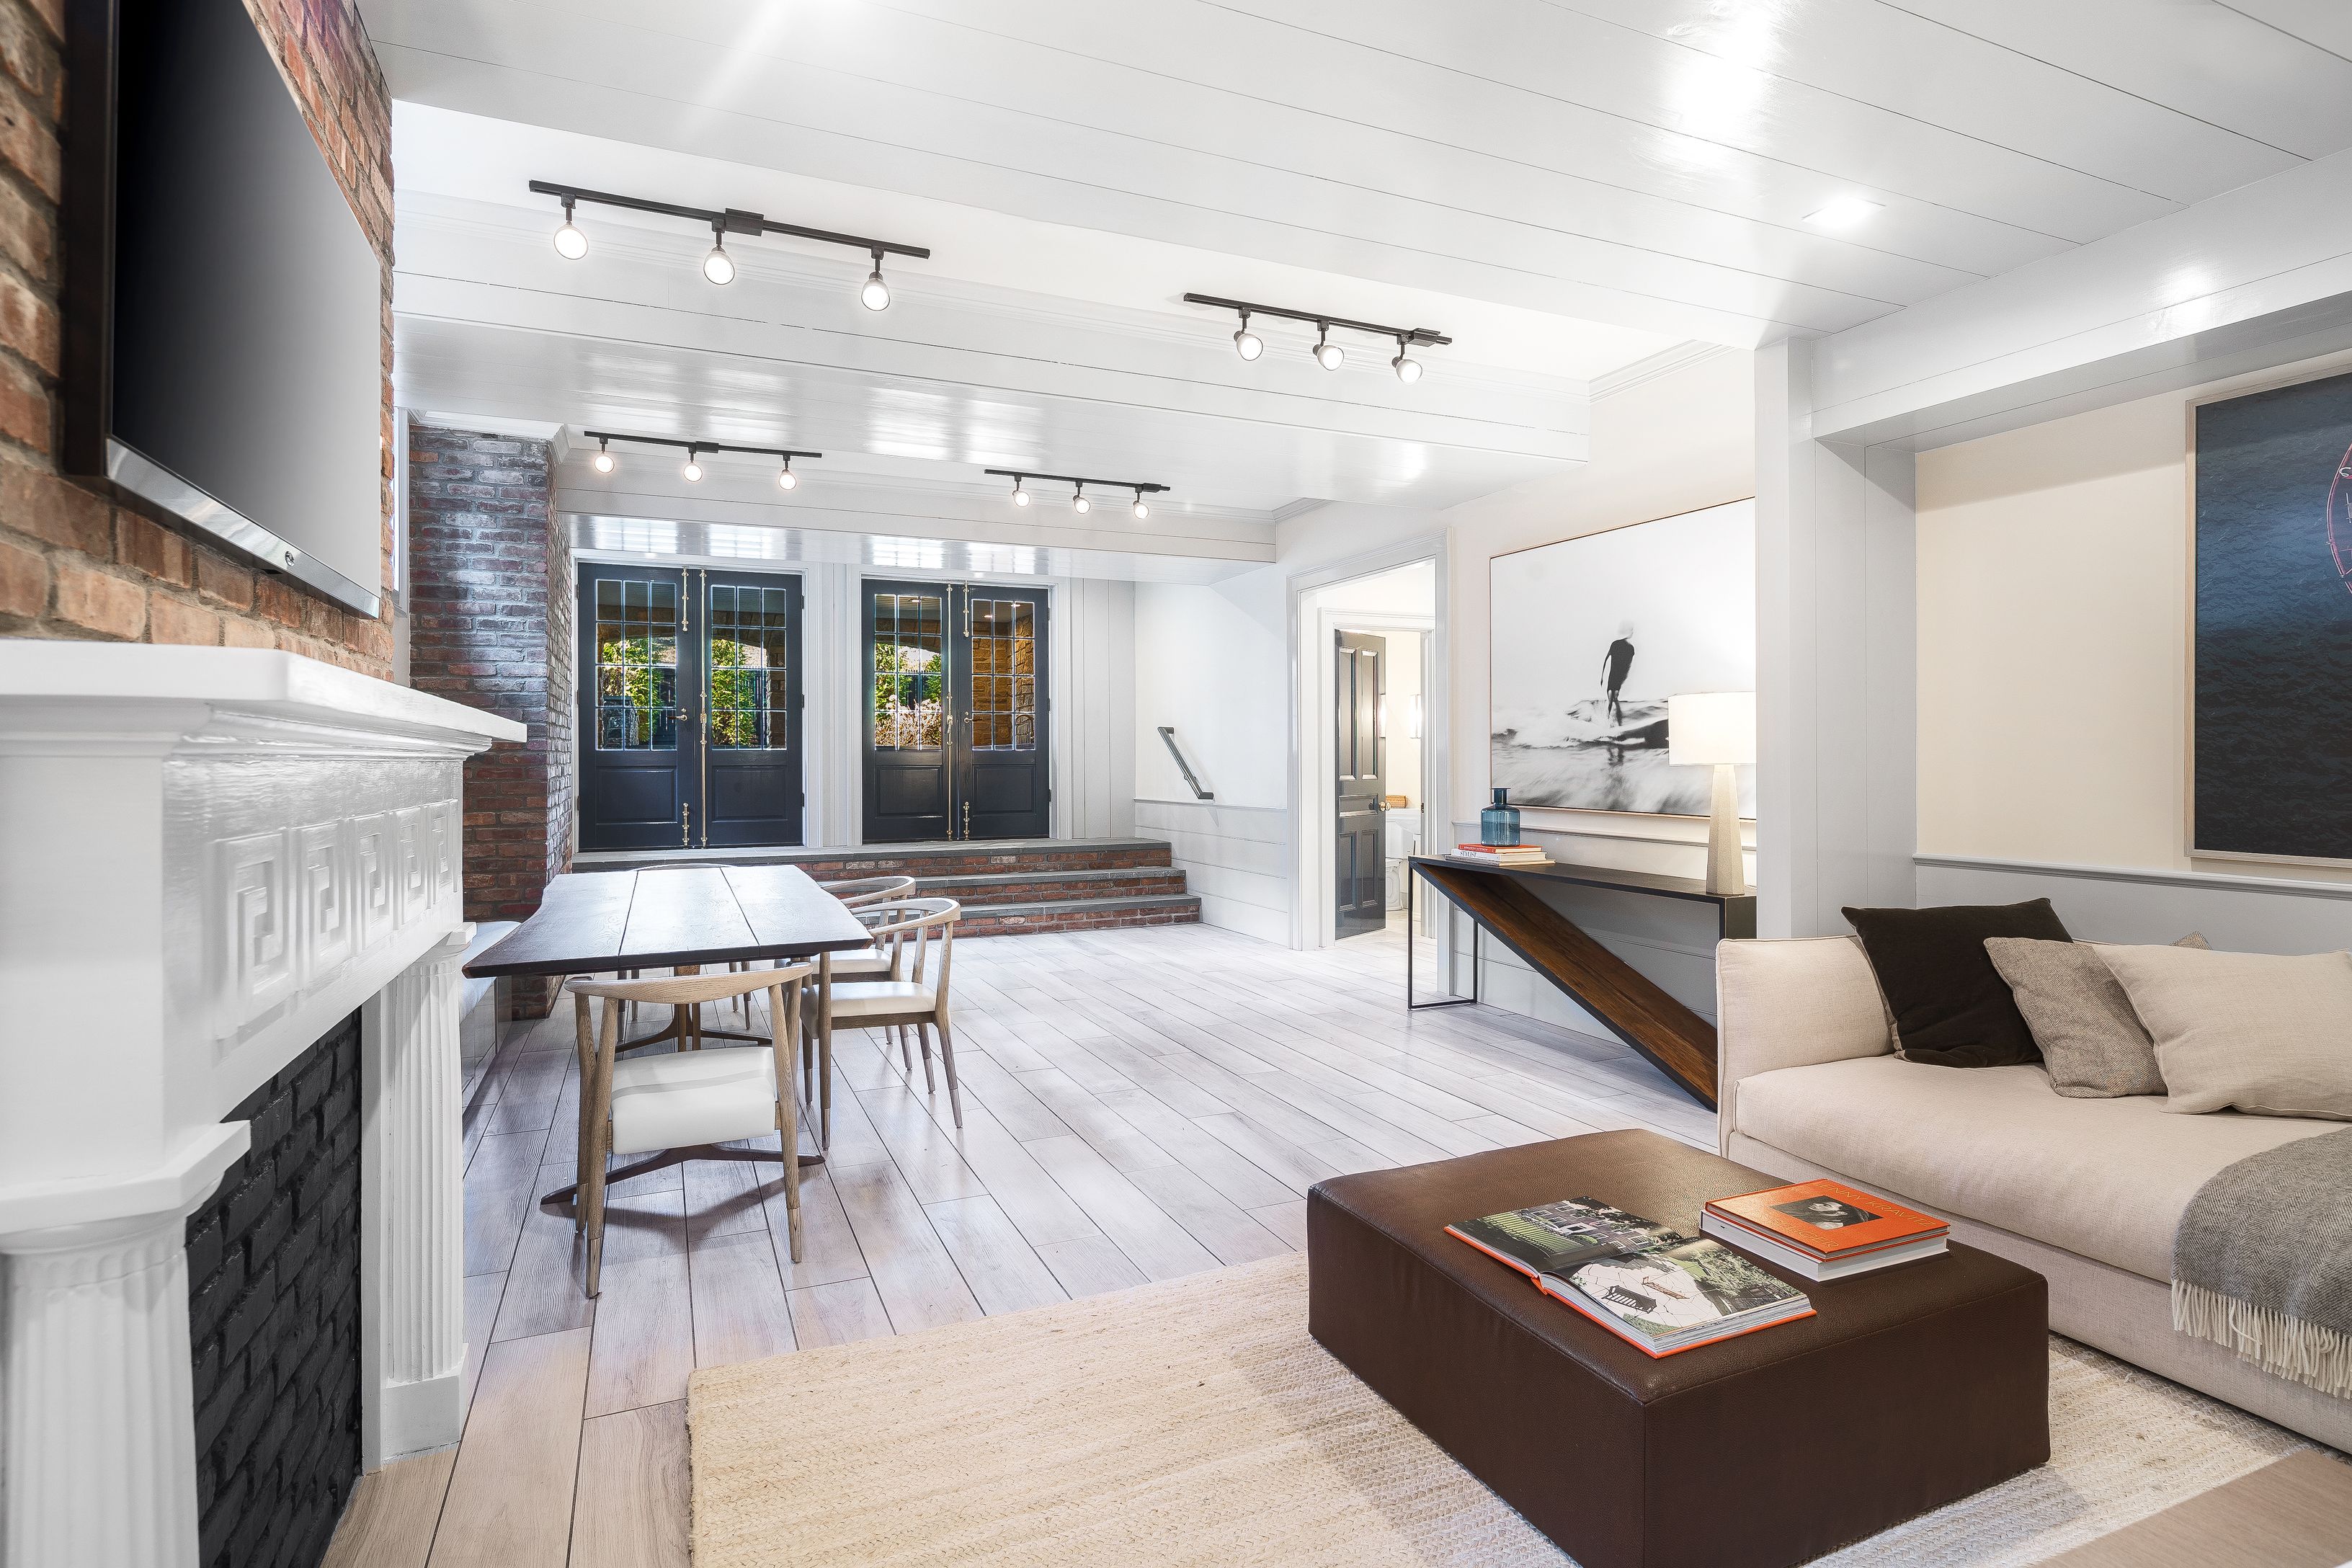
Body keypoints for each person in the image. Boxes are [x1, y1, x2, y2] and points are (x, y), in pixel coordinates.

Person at [1600, 623, 1636, 725]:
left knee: (1611, 700)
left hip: (1613, 677)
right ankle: (1617, 723)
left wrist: (1602, 677)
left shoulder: (1615, 644)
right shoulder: (1629, 648)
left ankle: (1609, 721)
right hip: (1618, 678)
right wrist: (1625, 676)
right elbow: (1628, 665)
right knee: (1615, 699)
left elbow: (1606, 659)